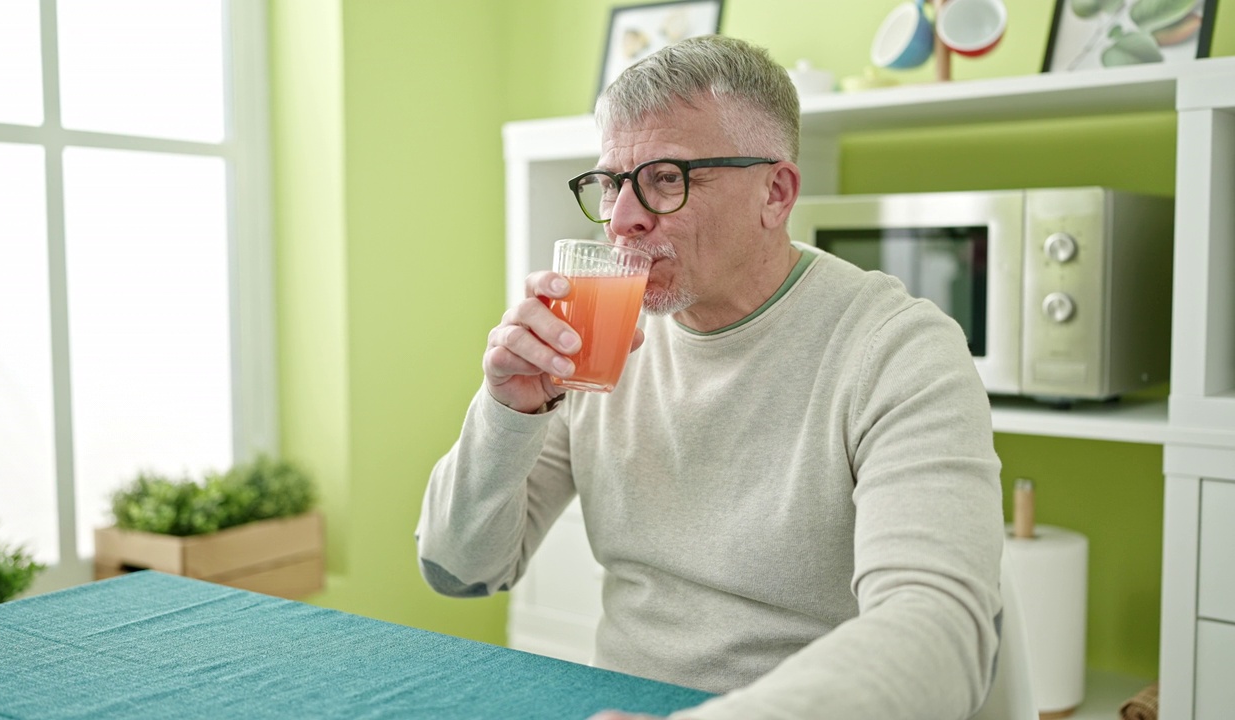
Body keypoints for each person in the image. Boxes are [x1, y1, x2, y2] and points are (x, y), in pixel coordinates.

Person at [416, 35, 1003, 720]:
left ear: (775, 193)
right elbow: (459, 570)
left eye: (667, 178)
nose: (624, 220)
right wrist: (505, 414)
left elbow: (938, 636)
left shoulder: (895, 348)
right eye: (610, 184)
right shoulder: (598, 335)